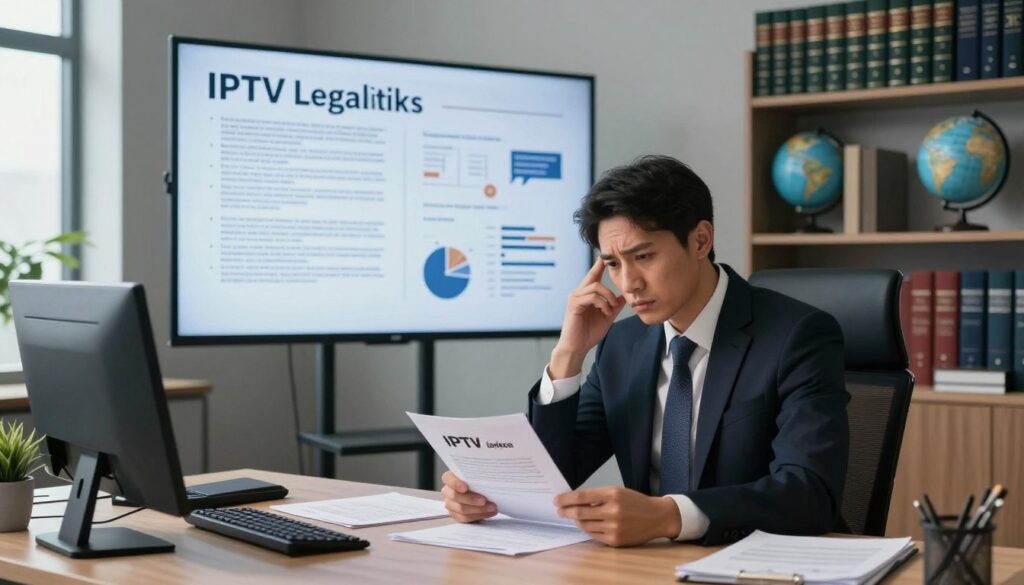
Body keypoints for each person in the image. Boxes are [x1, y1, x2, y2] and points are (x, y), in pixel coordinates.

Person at [440, 155, 849, 546]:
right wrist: (568, 355)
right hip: (647, 566)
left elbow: (809, 493)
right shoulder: (622, 344)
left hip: (759, 563)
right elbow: (556, 477)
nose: (628, 283)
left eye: (644, 256)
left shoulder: (797, 336)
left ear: (701, 240)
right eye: (613, 265)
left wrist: (668, 516)